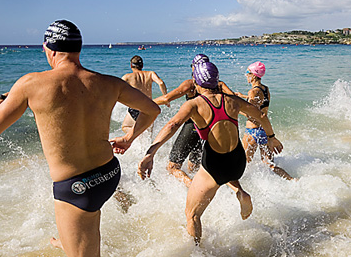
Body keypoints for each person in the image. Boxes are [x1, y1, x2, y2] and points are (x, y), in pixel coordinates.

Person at [0, 20, 161, 257]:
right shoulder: (108, 83)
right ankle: (71, 243)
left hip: (76, 188)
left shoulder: (31, 84)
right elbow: (152, 108)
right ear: (79, 48)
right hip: (109, 173)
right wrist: (130, 137)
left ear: (48, 49)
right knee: (82, 235)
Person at [138, 62, 283, 244]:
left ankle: (198, 255)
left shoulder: (194, 104)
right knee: (225, 171)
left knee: (192, 215)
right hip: (238, 163)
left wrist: (150, 152)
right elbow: (260, 116)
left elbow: (172, 125)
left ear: (197, 83)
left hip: (216, 165)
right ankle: (240, 192)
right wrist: (271, 137)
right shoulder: (233, 101)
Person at [153, 54, 236, 187]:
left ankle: (195, 189)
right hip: (209, 129)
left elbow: (166, 98)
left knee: (172, 167)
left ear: (193, 68)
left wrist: (145, 104)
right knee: (194, 167)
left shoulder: (190, 84)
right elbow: (233, 99)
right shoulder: (218, 84)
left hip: (192, 128)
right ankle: (203, 192)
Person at [236, 61, 293, 180]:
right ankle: (292, 180)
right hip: (264, 131)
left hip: (252, 132)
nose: (246, 75)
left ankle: (244, 187)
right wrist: (243, 97)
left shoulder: (253, 91)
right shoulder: (265, 89)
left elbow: (251, 114)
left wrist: (235, 110)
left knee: (243, 164)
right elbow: (261, 103)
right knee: (269, 164)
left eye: (247, 72)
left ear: (253, 75)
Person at [121, 55, 167, 133]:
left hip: (136, 107)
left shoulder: (127, 77)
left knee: (126, 127)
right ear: (142, 65)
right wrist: (166, 98)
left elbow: (117, 89)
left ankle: (136, 137)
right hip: (149, 106)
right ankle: (145, 142)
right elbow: (161, 83)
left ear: (131, 65)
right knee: (148, 133)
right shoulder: (151, 74)